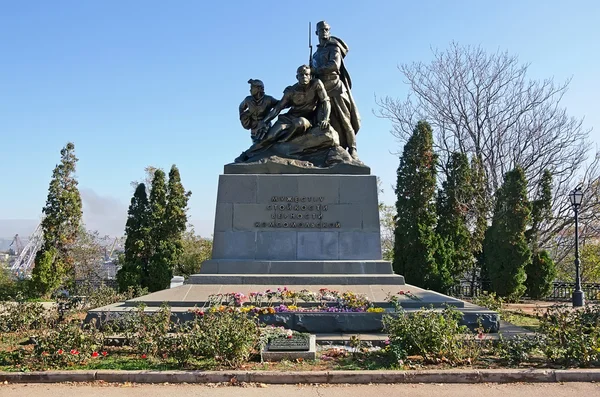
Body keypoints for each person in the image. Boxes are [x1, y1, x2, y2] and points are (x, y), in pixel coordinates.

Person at [235, 65, 331, 162]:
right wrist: (264, 121)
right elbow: (278, 108)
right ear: (297, 77)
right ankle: (246, 155)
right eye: (301, 75)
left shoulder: (316, 84)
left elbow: (325, 101)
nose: (304, 77)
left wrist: (326, 119)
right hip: (288, 118)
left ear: (310, 76)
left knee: (299, 123)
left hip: (307, 119)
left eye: (306, 74)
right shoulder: (291, 91)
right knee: (270, 136)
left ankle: (279, 146)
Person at [311, 20, 361, 159]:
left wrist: (317, 69)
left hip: (336, 86)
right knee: (323, 122)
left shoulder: (334, 47)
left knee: (345, 120)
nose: (324, 32)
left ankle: (353, 149)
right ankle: (328, 151)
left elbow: (334, 65)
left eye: (326, 29)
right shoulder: (315, 54)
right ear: (317, 33)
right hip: (321, 90)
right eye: (321, 30)